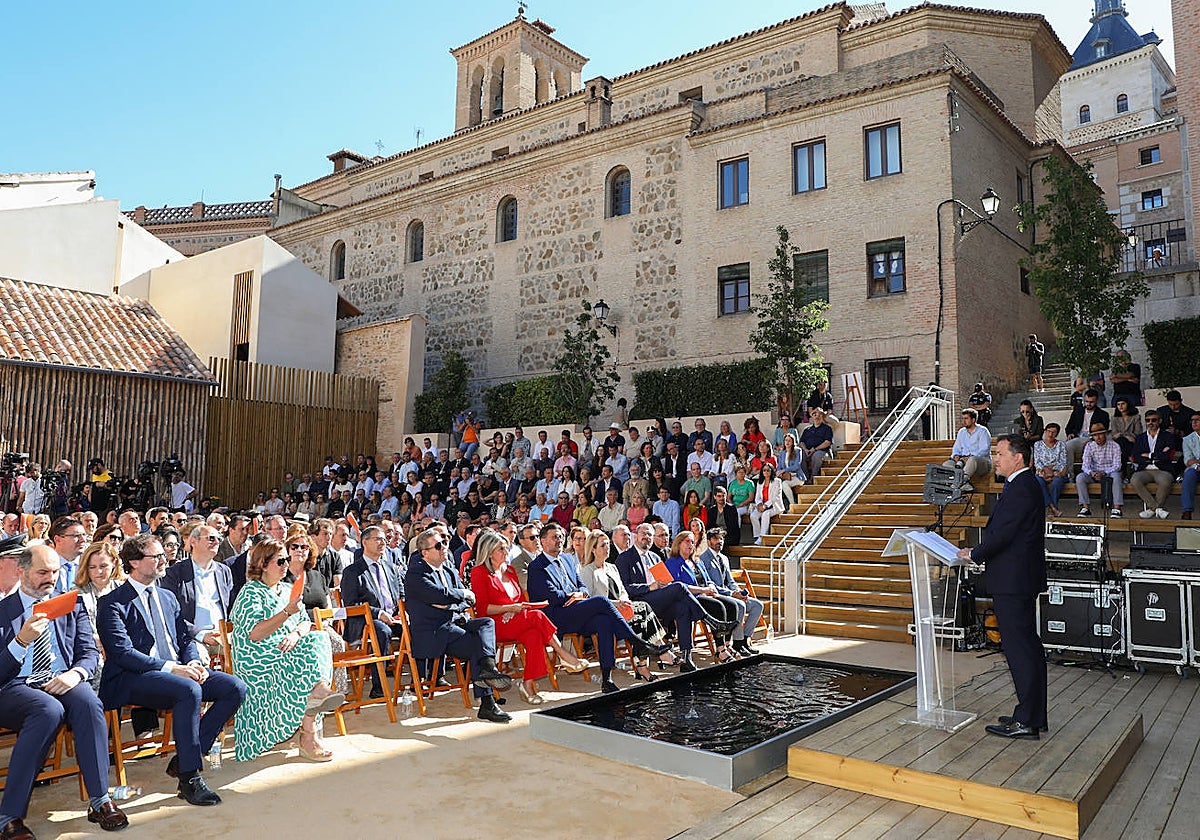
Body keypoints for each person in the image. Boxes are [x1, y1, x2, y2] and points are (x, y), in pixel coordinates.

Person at [97, 534, 247, 806]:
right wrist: (174, 668)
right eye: (156, 557)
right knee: (188, 689)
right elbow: (123, 654)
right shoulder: (112, 602)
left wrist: (192, 663)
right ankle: (189, 778)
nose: (164, 560)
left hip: (175, 671)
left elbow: (185, 638)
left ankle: (186, 756)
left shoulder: (167, 597)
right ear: (134, 562)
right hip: (133, 677)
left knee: (234, 687)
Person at [0, 545, 129, 836]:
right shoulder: (3, 611)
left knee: (88, 702)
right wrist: (20, 642)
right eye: (42, 572)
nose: (50, 578)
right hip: (14, 686)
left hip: (61, 678)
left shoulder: (71, 604)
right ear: (21, 571)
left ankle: (100, 801)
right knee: (48, 710)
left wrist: (76, 673)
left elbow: (88, 652)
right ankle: (9, 815)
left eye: (56, 572)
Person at [957, 435, 1047, 740]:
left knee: (1020, 650)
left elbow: (1005, 533)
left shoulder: (1022, 487)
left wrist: (974, 553)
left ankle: (1028, 720)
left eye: (1000, 453)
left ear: (1018, 458)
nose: (996, 458)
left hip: (1014, 581)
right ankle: (1031, 714)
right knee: (1026, 648)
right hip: (1016, 579)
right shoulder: (1021, 485)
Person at [230, 538, 341, 762]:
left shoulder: (288, 589)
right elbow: (255, 634)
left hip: (285, 648)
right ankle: (309, 732)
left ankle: (317, 696)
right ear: (263, 564)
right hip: (258, 656)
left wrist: (296, 633)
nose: (285, 565)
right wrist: (286, 614)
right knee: (309, 659)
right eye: (280, 561)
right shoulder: (250, 593)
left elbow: (303, 622)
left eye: (286, 560)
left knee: (319, 637)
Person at [526, 523, 669, 693]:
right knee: (601, 601)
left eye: (561, 536)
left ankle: (607, 678)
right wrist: (575, 595)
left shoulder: (566, 559)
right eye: (554, 537)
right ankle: (636, 642)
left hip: (576, 610)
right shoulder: (537, 566)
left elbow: (582, 587)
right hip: (555, 617)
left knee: (604, 621)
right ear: (543, 541)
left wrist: (580, 594)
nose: (559, 540)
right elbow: (550, 596)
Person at [405, 529, 514, 723]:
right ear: (425, 552)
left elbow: (468, 601)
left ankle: (488, 669)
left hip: (456, 623)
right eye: (438, 546)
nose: (444, 548)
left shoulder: (448, 569)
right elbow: (439, 595)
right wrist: (460, 595)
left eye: (445, 543)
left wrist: (452, 600)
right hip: (434, 632)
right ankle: (487, 701)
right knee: (476, 645)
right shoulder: (415, 573)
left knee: (486, 624)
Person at [469, 529, 588, 704]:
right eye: (501, 549)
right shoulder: (479, 572)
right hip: (495, 624)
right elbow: (482, 608)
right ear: (489, 552)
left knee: (535, 635)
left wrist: (512, 609)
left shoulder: (509, 570)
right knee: (537, 617)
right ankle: (562, 653)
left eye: (506, 548)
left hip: (514, 618)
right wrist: (510, 608)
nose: (506, 552)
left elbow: (518, 599)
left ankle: (528, 684)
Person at [614, 522, 715, 673]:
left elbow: (666, 581)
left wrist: (662, 586)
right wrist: (649, 587)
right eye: (644, 534)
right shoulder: (624, 558)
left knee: (682, 607)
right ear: (636, 536)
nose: (647, 537)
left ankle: (687, 657)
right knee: (679, 586)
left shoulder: (655, 557)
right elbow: (625, 588)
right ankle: (709, 619)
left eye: (649, 534)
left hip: (659, 600)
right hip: (640, 602)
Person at [579, 530, 670, 682]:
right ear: (593, 549)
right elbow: (591, 599)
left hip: (622, 608)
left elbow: (622, 590)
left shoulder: (611, 567)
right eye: (603, 545)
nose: (607, 548)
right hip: (605, 613)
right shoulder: (587, 570)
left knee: (642, 611)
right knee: (641, 613)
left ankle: (644, 664)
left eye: (608, 544)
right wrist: (617, 603)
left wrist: (624, 600)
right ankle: (653, 655)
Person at [339, 526, 405, 698]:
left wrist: (404, 612)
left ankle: (425, 678)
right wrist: (378, 613)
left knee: (419, 625)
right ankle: (378, 685)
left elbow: (401, 593)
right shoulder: (353, 572)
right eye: (377, 539)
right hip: (365, 620)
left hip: (394, 617)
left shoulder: (390, 567)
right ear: (364, 542)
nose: (382, 542)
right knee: (382, 631)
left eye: (384, 539)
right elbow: (351, 604)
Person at [160, 525, 234, 664]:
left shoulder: (224, 571)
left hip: (223, 637)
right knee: (200, 663)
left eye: (219, 538)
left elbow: (232, 608)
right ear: (193, 541)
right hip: (192, 638)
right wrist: (201, 635)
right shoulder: (175, 573)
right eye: (211, 538)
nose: (216, 542)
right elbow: (170, 614)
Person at [664, 531, 740, 663]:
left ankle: (727, 645)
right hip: (689, 599)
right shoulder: (673, 562)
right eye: (687, 541)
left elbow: (708, 579)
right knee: (718, 607)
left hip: (705, 594)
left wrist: (711, 587)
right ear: (678, 543)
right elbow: (678, 587)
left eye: (692, 542)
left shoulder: (697, 561)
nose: (690, 544)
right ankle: (720, 650)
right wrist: (703, 590)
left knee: (732, 605)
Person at [697, 528, 763, 656]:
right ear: (709, 541)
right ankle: (737, 644)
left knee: (757, 605)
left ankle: (744, 639)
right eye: (716, 539)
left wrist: (738, 591)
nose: (719, 541)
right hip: (717, 596)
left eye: (721, 539)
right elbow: (710, 584)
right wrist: (732, 594)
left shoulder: (724, 558)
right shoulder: (703, 559)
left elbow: (730, 580)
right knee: (740, 606)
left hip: (730, 593)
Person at [1129, 410, 1178, 519]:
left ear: (1159, 421)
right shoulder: (1140, 437)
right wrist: (1159, 454)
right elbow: (1135, 457)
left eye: (1154, 420)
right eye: (1148, 420)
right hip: (1144, 469)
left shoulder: (1167, 436)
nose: (1150, 423)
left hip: (1163, 469)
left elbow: (1168, 456)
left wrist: (1149, 455)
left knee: (1165, 481)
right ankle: (1157, 508)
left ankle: (1151, 510)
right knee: (1135, 480)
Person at [1075, 424, 1124, 517]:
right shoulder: (1089, 446)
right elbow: (1085, 465)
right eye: (1095, 435)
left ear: (1105, 434)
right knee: (1080, 477)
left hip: (1109, 473)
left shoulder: (1115, 445)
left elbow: (1117, 465)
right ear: (1092, 436)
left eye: (1100, 434)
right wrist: (1092, 473)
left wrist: (1104, 472)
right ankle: (1085, 508)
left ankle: (1117, 508)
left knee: (1116, 476)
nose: (1098, 437)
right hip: (1094, 473)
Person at [944, 408, 992, 491]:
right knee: (947, 464)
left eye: (966, 418)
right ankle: (964, 484)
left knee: (972, 460)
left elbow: (984, 450)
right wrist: (955, 455)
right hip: (963, 461)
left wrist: (969, 457)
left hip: (981, 463)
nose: (964, 421)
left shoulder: (983, 431)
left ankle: (961, 481)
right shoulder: (961, 432)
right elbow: (956, 447)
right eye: (963, 418)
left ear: (973, 420)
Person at [1065, 390, 1110, 468]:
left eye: (1091, 402)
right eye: (1087, 401)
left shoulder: (1103, 414)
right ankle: (1070, 475)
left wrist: (1092, 440)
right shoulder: (1078, 411)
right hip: (1078, 438)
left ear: (1096, 401)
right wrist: (1070, 434)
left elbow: (1103, 431)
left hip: (1095, 439)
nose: (1088, 404)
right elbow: (1069, 427)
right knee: (1067, 446)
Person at [1032, 423, 1069, 517]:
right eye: (1048, 431)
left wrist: (1052, 472)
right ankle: (1053, 508)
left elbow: (1063, 462)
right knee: (1038, 481)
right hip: (1042, 472)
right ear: (1045, 432)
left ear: (1057, 434)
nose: (1050, 434)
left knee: (1056, 483)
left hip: (1057, 472)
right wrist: (1045, 469)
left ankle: (1051, 509)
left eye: (1053, 432)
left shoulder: (1061, 445)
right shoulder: (1038, 444)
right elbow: (1037, 462)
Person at [749, 464, 785, 546]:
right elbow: (757, 496)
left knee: (765, 514)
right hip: (762, 506)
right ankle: (757, 536)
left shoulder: (777, 481)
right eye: (764, 470)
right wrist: (759, 504)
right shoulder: (759, 482)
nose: (766, 472)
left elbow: (776, 496)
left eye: (768, 470)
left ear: (772, 471)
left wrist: (765, 506)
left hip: (774, 506)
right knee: (753, 516)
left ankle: (762, 537)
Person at [799, 408, 834, 483]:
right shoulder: (807, 429)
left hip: (823, 452)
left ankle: (813, 478)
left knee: (817, 455)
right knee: (800, 454)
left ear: (822, 416)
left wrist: (814, 449)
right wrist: (805, 450)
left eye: (819, 414)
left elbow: (827, 442)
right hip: (808, 451)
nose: (817, 416)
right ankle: (805, 478)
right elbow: (801, 442)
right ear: (812, 417)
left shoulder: (827, 428)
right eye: (815, 414)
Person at [1109, 396, 1143, 464]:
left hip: (1132, 442)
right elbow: (1115, 435)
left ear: (1128, 404)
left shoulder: (1135, 417)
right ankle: (1129, 457)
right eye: (1118, 404)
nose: (1120, 406)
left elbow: (1138, 433)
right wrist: (1126, 436)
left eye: (1123, 404)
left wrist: (1122, 435)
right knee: (1121, 441)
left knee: (1123, 442)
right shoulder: (1114, 418)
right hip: (1119, 442)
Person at [1181, 413, 1200, 520]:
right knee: (1189, 474)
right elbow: (1187, 461)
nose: (1194, 423)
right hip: (1196, 469)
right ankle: (1187, 511)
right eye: (1192, 420)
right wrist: (1196, 464)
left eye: (1197, 420)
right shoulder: (1187, 439)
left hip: (1197, 465)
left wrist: (1196, 461)